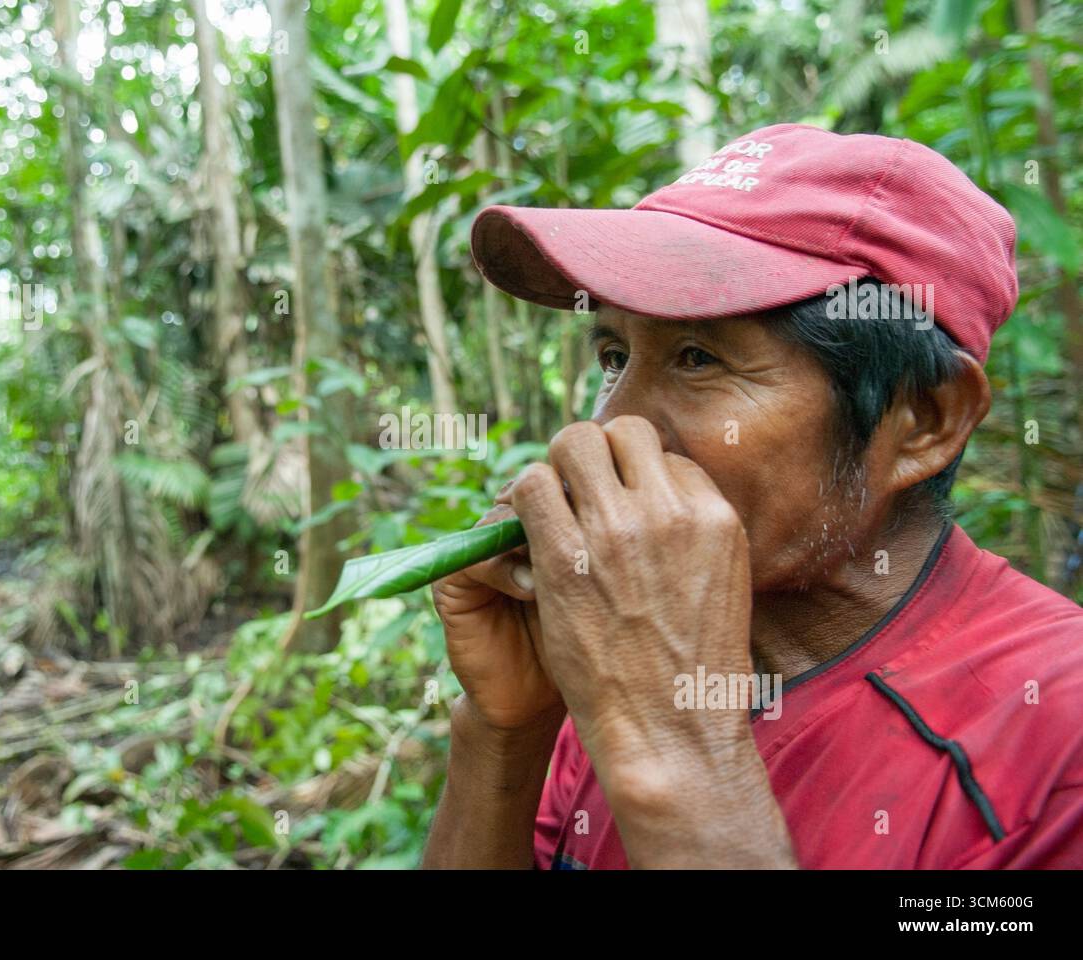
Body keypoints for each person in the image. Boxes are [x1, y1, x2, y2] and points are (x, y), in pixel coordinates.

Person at [421, 123, 1083, 869]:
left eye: (699, 357)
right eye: (614, 356)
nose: (608, 424)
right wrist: (503, 732)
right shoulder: (627, 654)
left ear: (923, 418)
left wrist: (673, 744)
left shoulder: (1056, 746)